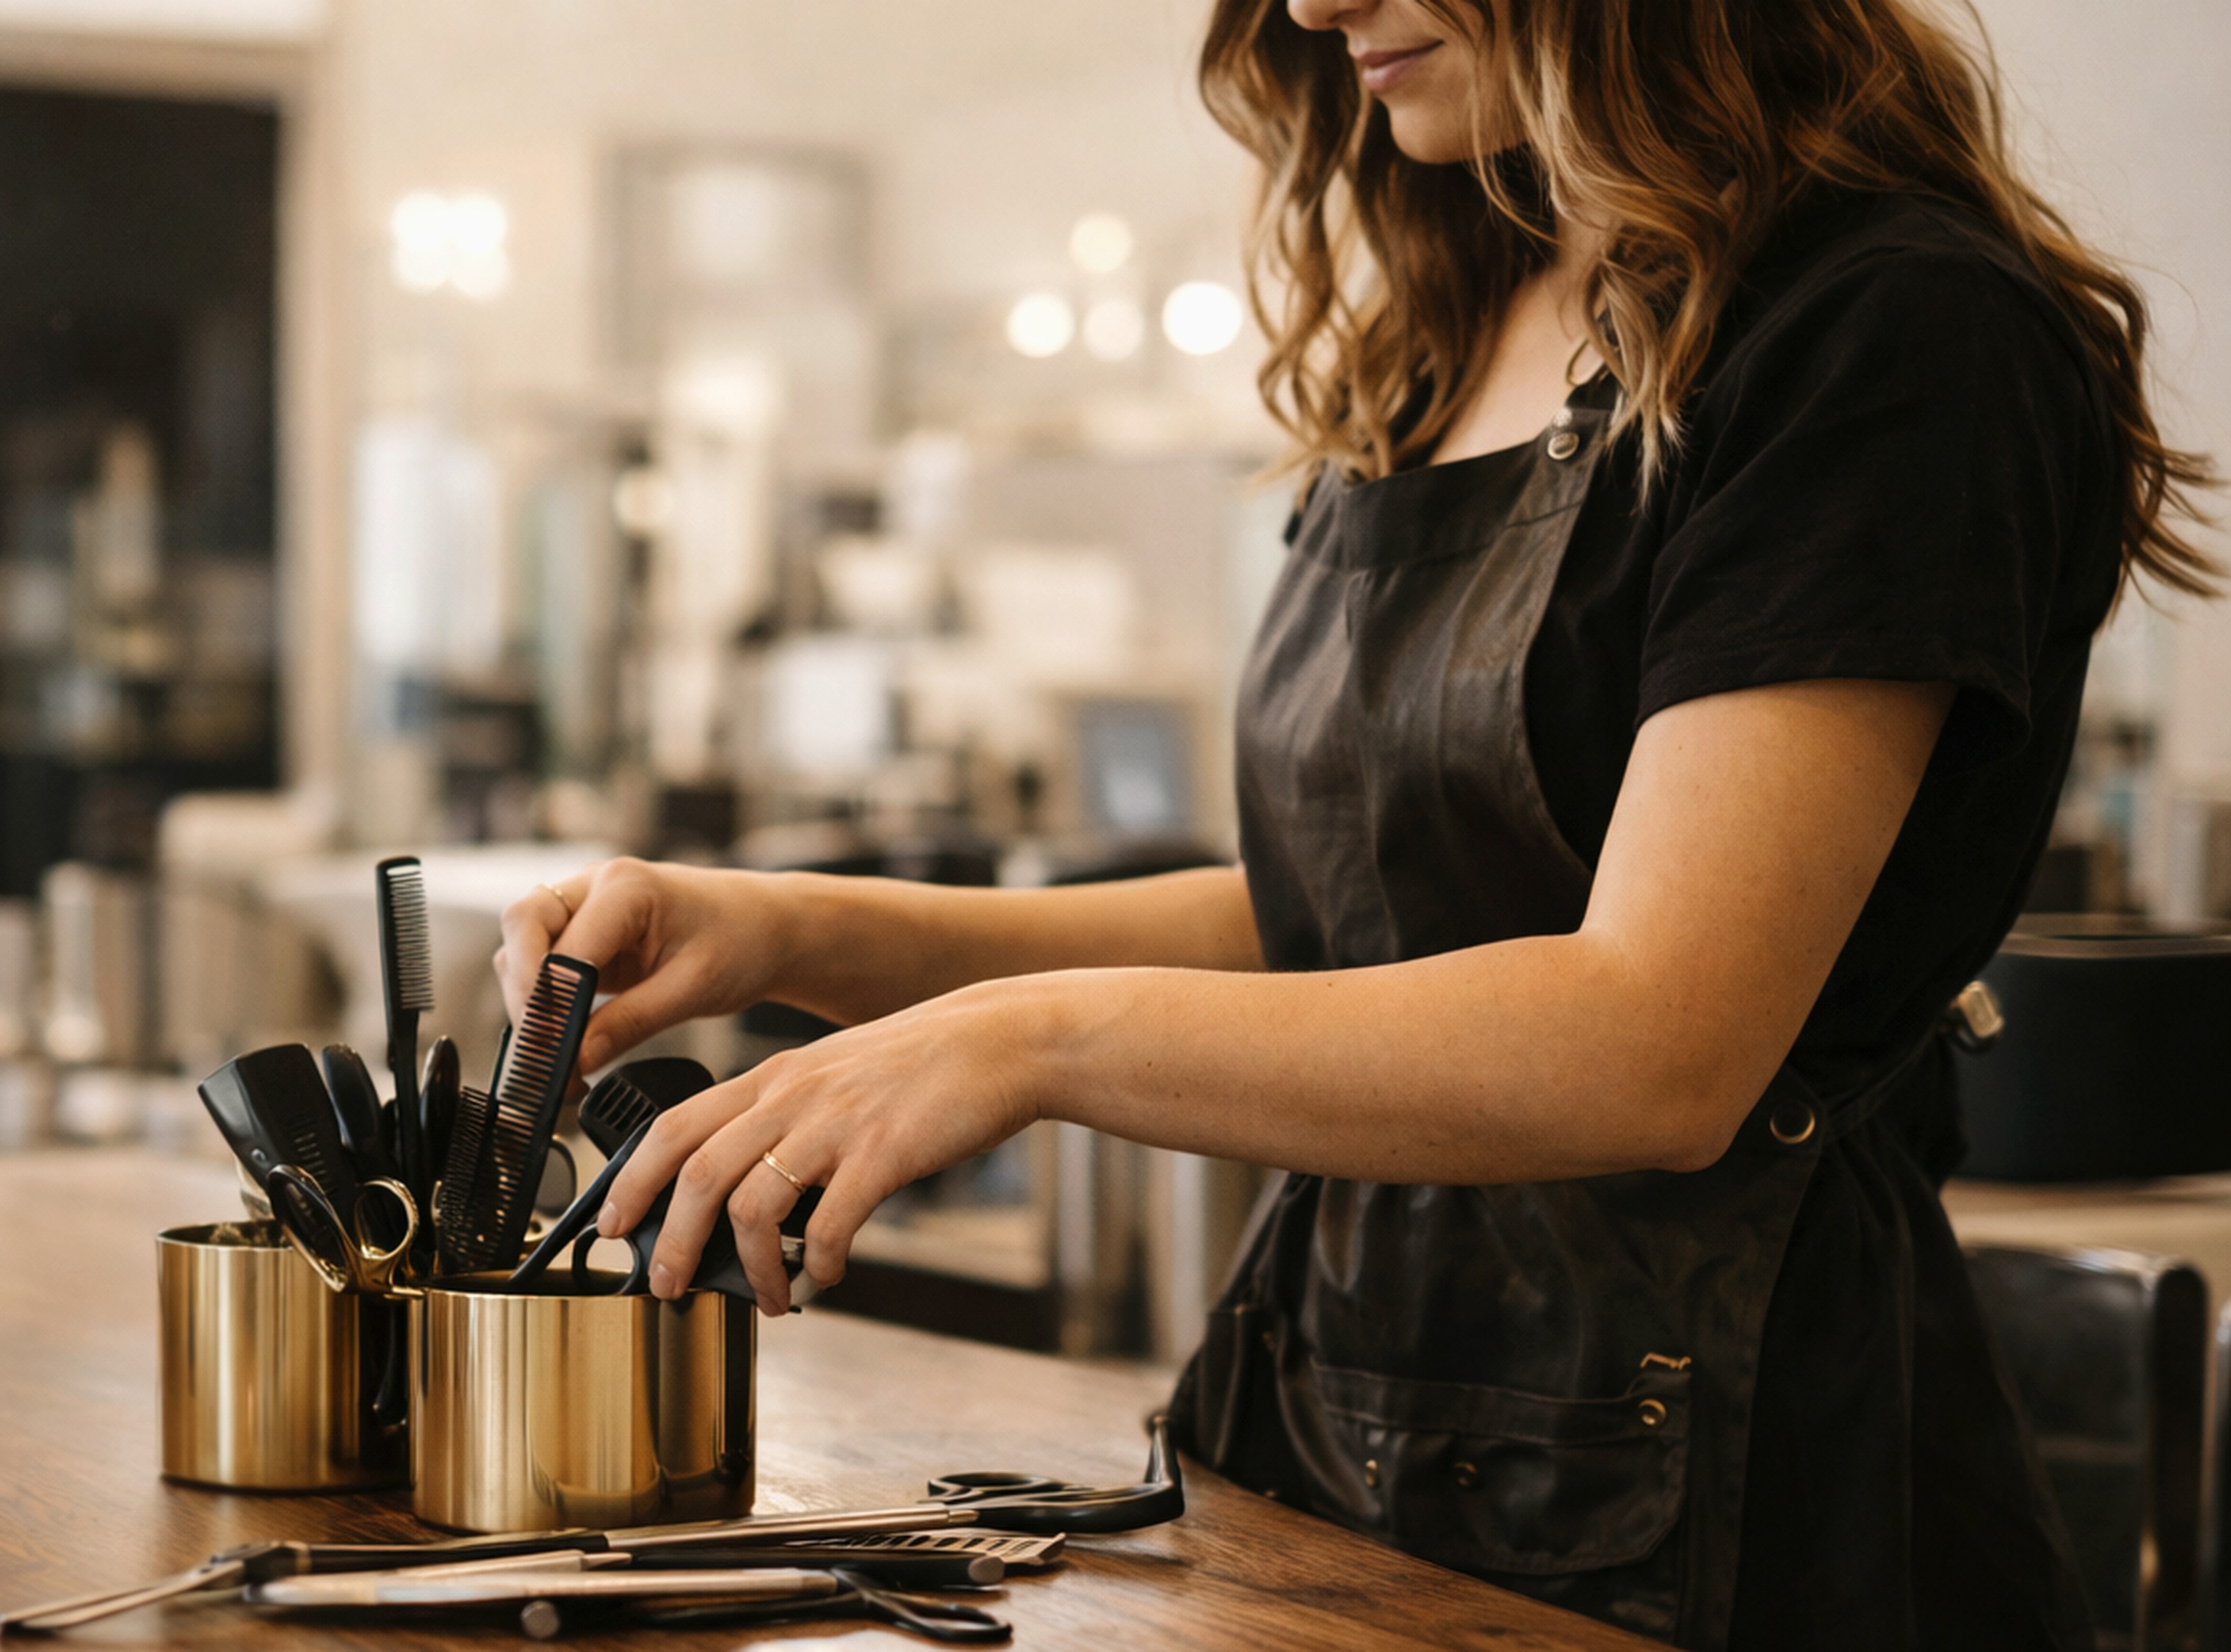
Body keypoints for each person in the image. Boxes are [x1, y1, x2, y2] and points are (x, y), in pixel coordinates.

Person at [495, 0, 2215, 1644]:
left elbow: (1659, 1042)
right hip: (1326, 1433)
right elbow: (1349, 911)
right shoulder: (1470, 305)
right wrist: (801, 934)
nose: (1315, 7)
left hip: (1724, 1490)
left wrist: (1019, 1042)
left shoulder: (1884, 327)